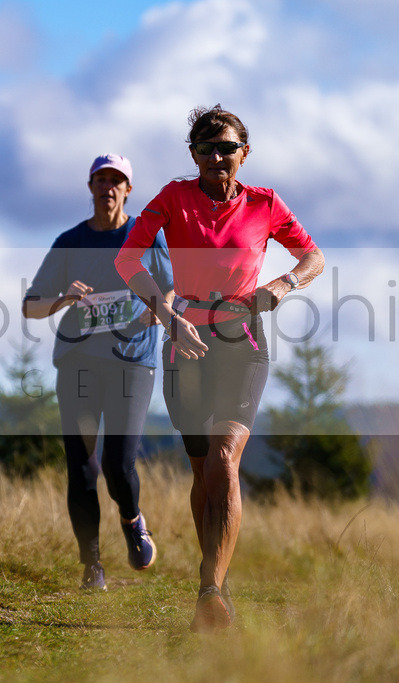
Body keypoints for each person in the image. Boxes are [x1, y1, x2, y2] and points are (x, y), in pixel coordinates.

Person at [114, 105, 325, 632]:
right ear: (193, 155)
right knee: (203, 472)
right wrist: (168, 318)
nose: (216, 157)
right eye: (205, 148)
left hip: (242, 342)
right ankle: (217, 579)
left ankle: (210, 588)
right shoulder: (172, 198)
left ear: (244, 153)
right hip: (184, 343)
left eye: (227, 147)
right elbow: (128, 259)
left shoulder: (265, 204)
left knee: (226, 457)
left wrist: (280, 287)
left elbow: (313, 258)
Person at [24, 154, 174, 591]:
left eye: (118, 181)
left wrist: (155, 312)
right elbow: (30, 306)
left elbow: (171, 288)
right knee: (82, 467)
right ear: (90, 187)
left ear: (129, 190)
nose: (109, 187)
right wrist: (64, 299)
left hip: (132, 362)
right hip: (79, 364)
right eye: (101, 179)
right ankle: (92, 565)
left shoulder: (145, 237)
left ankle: (132, 519)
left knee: (118, 463)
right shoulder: (69, 241)